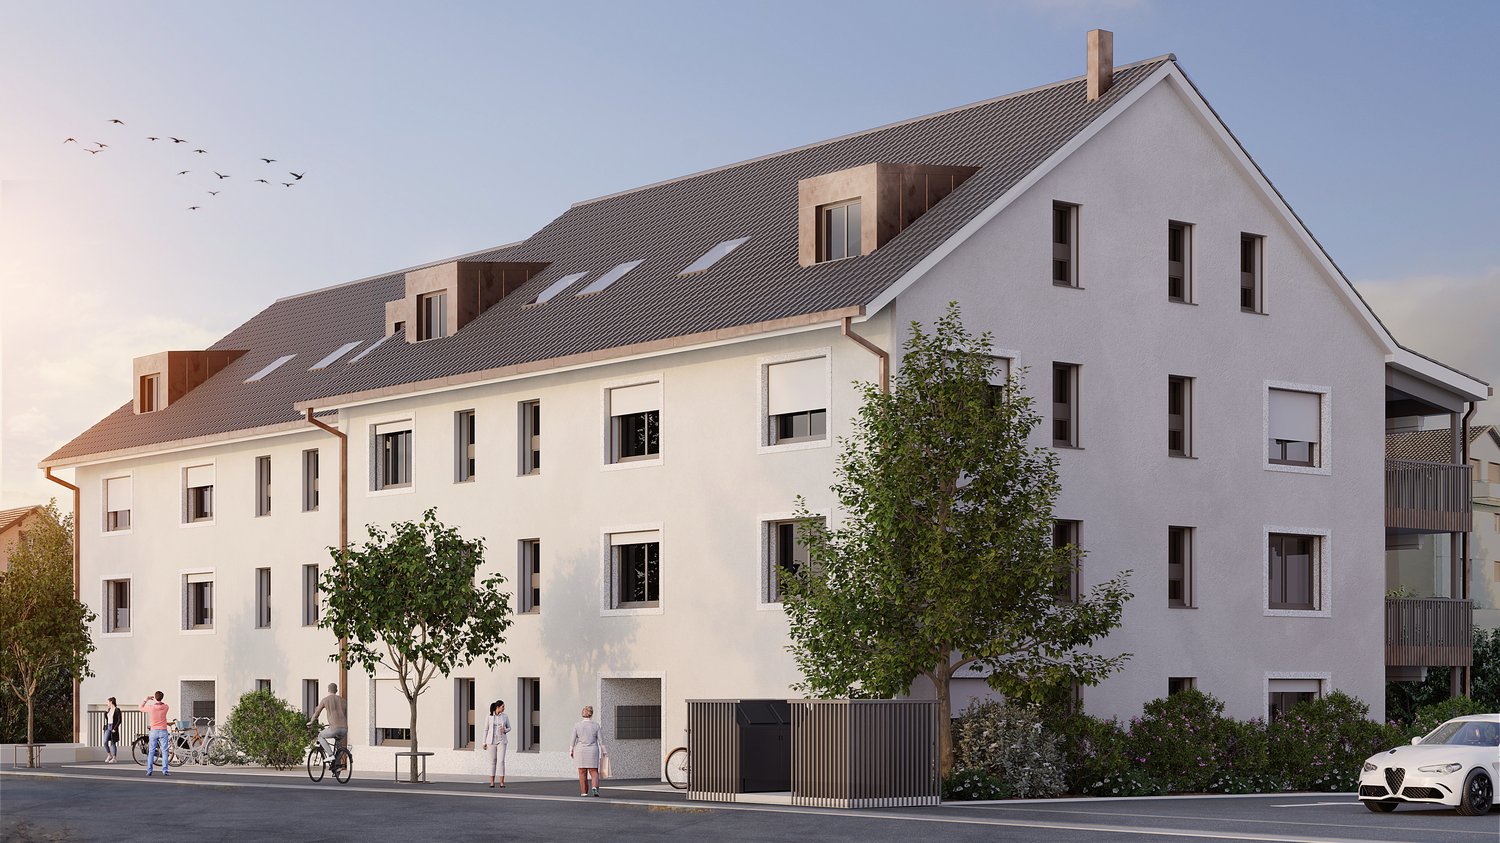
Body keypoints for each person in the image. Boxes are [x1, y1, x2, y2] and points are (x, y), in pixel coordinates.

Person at [308, 682, 348, 770]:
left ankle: (330, 755)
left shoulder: (325, 700)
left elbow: (317, 713)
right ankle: (337, 766)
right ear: (336, 690)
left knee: (320, 736)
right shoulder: (343, 700)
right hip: (344, 729)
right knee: (338, 745)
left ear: (328, 690)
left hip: (334, 728)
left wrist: (311, 722)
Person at [569, 705, 607, 797]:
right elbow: (601, 741)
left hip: (580, 750)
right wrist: (605, 752)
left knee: (582, 772)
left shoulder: (577, 725)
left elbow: (572, 740)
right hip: (593, 750)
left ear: (582, 714)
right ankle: (594, 787)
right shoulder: (596, 725)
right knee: (594, 771)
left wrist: (571, 750)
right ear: (591, 714)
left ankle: (584, 792)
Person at [480, 699, 510, 788]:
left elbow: (509, 727)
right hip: (491, 741)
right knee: (492, 761)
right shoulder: (489, 717)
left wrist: (505, 730)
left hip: (502, 740)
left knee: (501, 761)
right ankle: (492, 782)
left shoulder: (505, 716)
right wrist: (484, 742)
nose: (504, 708)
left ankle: (501, 782)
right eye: (502, 706)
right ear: (498, 707)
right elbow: (486, 730)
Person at [140, 691, 170, 777]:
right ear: (162, 697)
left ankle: (149, 770)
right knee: (164, 751)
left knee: (151, 751)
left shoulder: (151, 708)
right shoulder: (166, 707)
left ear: (155, 698)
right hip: (163, 731)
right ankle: (165, 770)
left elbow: (140, 708)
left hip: (153, 731)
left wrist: (146, 699)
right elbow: (163, 705)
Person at [102, 697, 122, 763]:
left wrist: (115, 728)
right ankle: (109, 755)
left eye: (108, 702)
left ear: (111, 702)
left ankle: (114, 758)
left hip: (113, 727)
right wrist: (106, 714)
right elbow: (108, 719)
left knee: (113, 743)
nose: (107, 703)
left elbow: (119, 720)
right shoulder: (109, 709)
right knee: (105, 742)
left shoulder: (117, 710)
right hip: (108, 726)